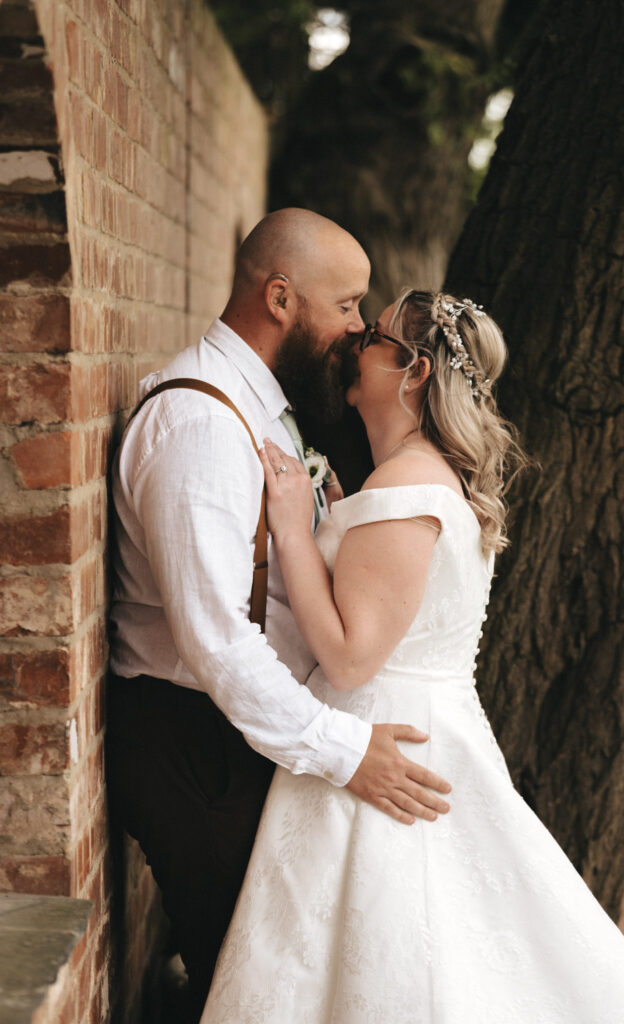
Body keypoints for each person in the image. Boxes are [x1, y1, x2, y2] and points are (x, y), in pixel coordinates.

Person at [200, 289, 624, 1022]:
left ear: (414, 371)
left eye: (376, 336)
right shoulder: (413, 479)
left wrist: (295, 528)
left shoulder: (406, 487)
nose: (357, 338)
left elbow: (351, 660)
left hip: (384, 742)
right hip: (419, 728)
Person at [105, 210, 452, 1021]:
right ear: (282, 298)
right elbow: (216, 641)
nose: (360, 329)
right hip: (194, 748)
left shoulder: (258, 407)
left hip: (238, 733)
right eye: (348, 307)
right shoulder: (197, 425)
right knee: (249, 987)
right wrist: (344, 751)